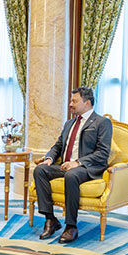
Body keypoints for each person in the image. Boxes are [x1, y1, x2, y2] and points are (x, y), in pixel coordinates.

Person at [34, 87, 112, 243]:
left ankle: (71, 226)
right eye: (71, 101)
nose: (70, 104)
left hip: (87, 168)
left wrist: (77, 163)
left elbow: (103, 153)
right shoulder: (69, 123)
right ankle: (50, 219)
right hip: (65, 166)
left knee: (71, 175)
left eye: (74, 101)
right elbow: (58, 146)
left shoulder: (102, 123)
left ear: (87, 102)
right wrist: (49, 158)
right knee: (40, 169)